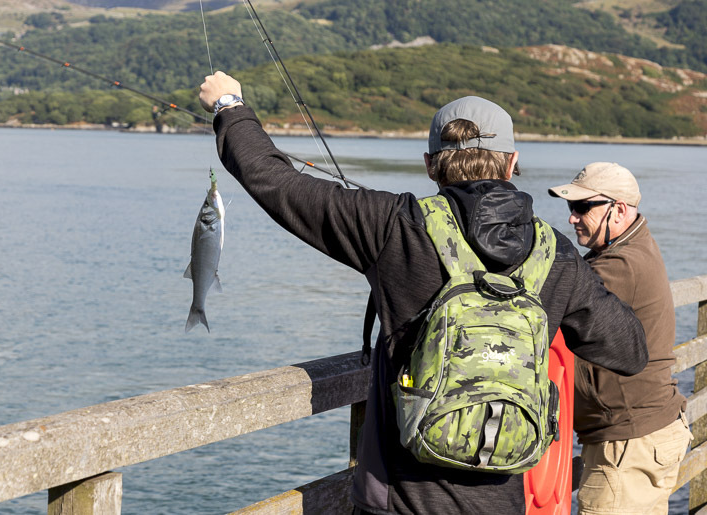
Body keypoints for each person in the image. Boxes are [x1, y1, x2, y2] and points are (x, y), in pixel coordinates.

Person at [198, 71, 649, 515]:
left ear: (431, 164)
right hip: (500, 501)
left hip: (398, 499)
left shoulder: (393, 226)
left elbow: (275, 181)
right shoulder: (556, 252)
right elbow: (628, 351)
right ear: (512, 163)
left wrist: (229, 107)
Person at [549, 162, 690, 515]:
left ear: (620, 209)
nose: (572, 218)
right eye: (570, 207)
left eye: (583, 207)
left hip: (626, 445)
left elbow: (554, 299)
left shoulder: (617, 266)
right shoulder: (635, 246)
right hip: (652, 431)